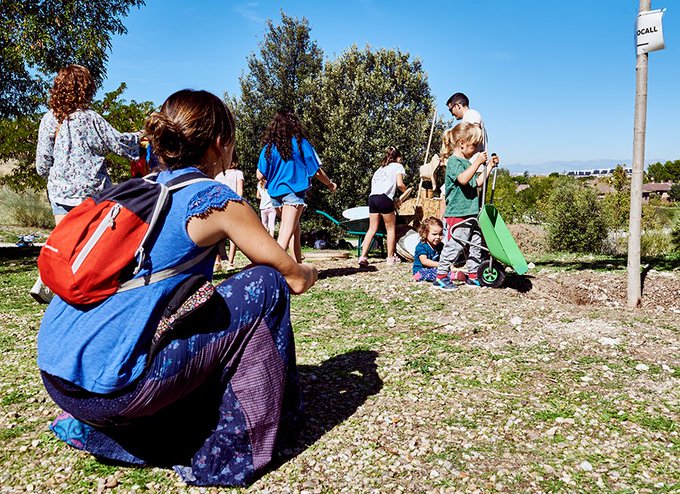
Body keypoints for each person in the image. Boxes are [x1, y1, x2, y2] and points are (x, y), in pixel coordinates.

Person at [37, 89, 317, 487]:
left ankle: (111, 428)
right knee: (266, 283)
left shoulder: (133, 189)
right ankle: (236, 449)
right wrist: (309, 272)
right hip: (115, 394)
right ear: (221, 143)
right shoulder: (213, 198)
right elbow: (288, 275)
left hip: (60, 379)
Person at [31, 64, 141, 303]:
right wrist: (145, 135)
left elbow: (42, 164)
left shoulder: (49, 120)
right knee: (94, 245)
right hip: (93, 194)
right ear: (87, 89)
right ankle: (92, 292)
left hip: (61, 193)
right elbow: (120, 144)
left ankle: (52, 284)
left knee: (64, 243)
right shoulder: (92, 120)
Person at [257, 111, 337, 262]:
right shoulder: (301, 143)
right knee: (284, 237)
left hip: (275, 194)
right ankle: (273, 269)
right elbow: (316, 171)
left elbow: (259, 175)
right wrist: (330, 184)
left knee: (294, 228)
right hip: (293, 192)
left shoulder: (269, 147)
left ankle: (297, 263)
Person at [433, 123, 496, 290]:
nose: (476, 150)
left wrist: (488, 166)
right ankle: (440, 276)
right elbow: (463, 179)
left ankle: (473, 274)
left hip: (471, 213)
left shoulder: (467, 163)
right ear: (461, 143)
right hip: (458, 213)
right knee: (455, 245)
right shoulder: (454, 162)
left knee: (475, 245)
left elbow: (477, 182)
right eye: (473, 145)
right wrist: (478, 162)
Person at [358, 146, 407, 267]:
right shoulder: (398, 166)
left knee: (372, 228)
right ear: (398, 158)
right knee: (390, 229)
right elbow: (400, 184)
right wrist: (406, 191)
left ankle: (363, 256)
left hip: (372, 198)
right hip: (385, 198)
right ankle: (390, 258)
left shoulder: (380, 168)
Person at [213, 151, 244, 270]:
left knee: (217, 236)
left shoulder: (218, 175)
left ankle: (217, 262)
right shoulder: (238, 173)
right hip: (233, 204)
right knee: (233, 236)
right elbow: (240, 191)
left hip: (219, 205)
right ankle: (230, 262)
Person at [412, 217, 444, 281]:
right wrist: (442, 265)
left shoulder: (440, 245)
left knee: (443, 271)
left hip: (435, 268)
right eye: (434, 234)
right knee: (440, 273)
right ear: (425, 233)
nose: (438, 237)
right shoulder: (421, 246)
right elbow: (424, 261)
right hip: (421, 271)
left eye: (440, 234)